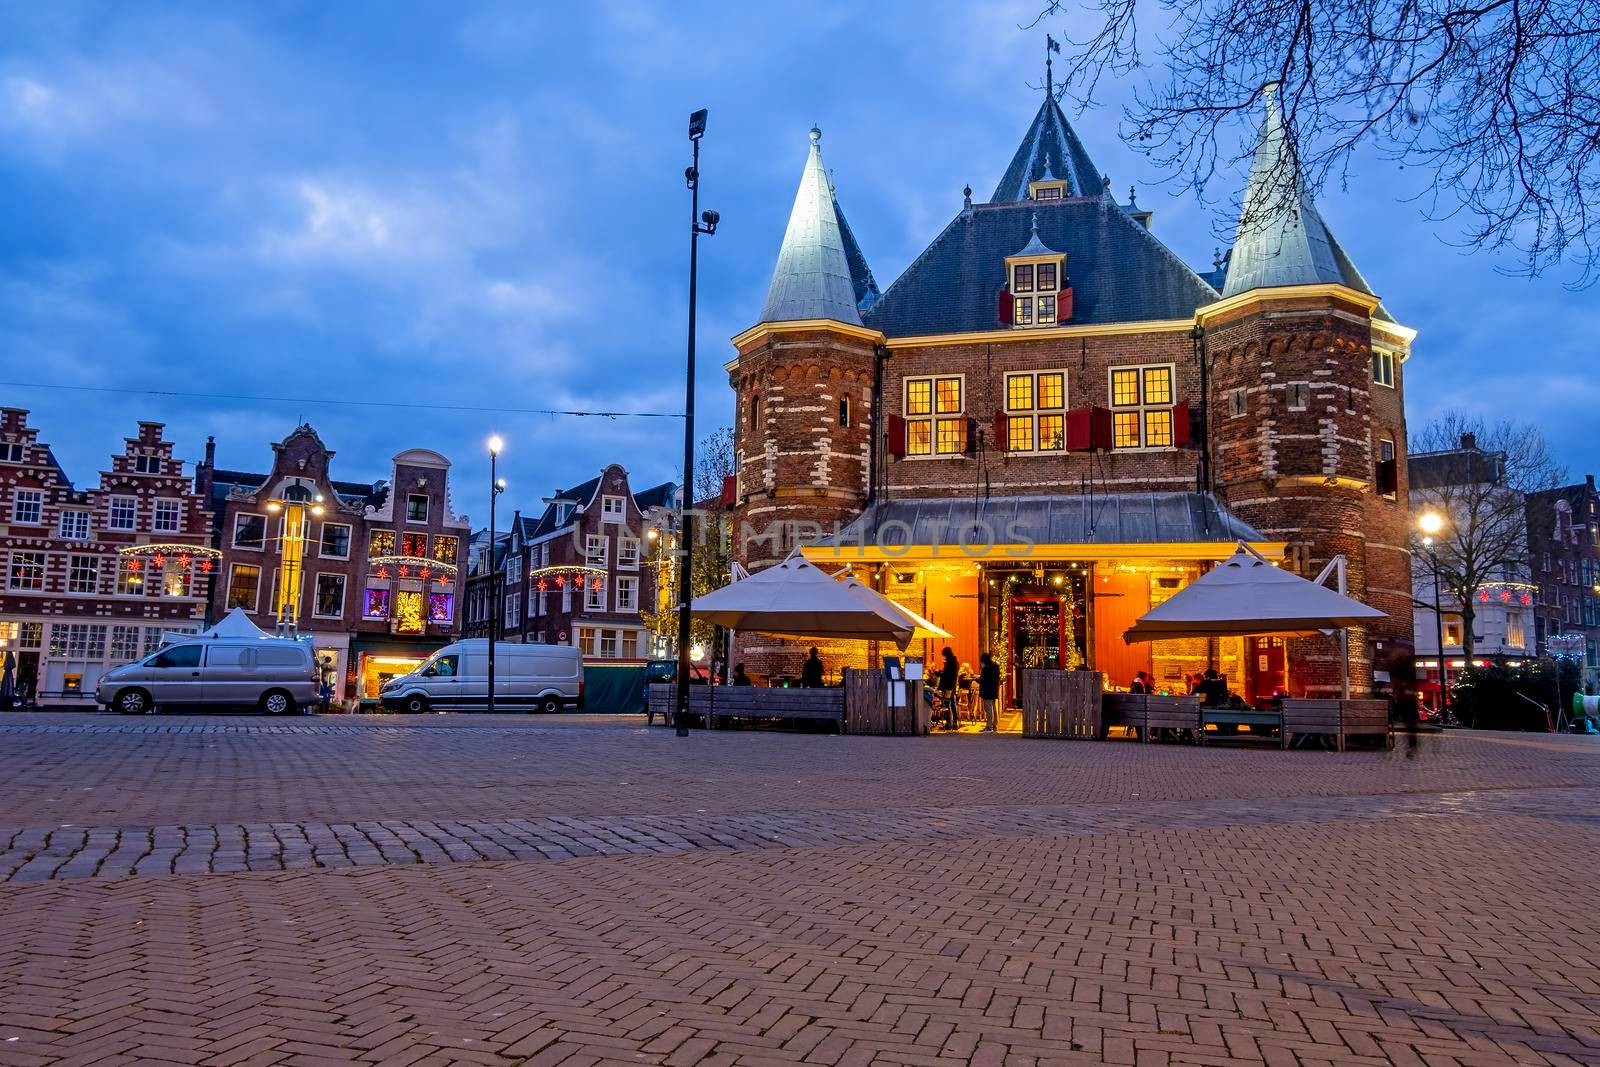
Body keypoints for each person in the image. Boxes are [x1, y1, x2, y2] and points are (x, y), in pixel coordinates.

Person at [937, 647, 960, 730]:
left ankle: (949, 722)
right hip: (952, 686)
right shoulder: (955, 662)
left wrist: (937, 673)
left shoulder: (949, 663)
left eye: (943, 655)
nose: (942, 657)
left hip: (948, 686)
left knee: (947, 704)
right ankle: (955, 722)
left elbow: (946, 676)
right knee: (953, 704)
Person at [978, 652, 1001, 732]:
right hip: (994, 689)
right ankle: (994, 725)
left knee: (988, 709)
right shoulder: (995, 666)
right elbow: (997, 678)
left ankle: (989, 726)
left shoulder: (986, 668)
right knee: (993, 708)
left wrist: (977, 679)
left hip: (987, 690)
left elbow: (983, 679)